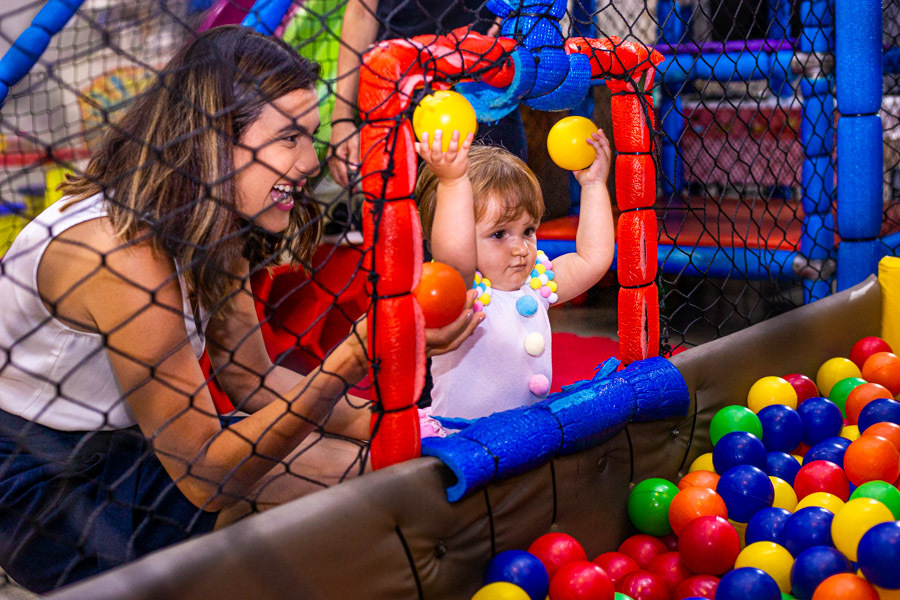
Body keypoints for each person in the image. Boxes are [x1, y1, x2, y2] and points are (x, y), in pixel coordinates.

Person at [0, 26, 479, 593]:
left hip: (130, 450)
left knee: (372, 468)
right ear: (213, 140)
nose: (310, 162)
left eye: (312, 135)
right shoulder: (122, 253)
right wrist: (352, 357)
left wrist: (397, 427)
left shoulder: (204, 217)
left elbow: (253, 377)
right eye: (289, 138)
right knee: (315, 485)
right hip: (43, 488)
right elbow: (209, 476)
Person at [414, 128, 614, 432]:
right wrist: (452, 183)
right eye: (499, 235)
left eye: (528, 231)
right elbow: (455, 252)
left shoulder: (536, 285)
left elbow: (593, 259)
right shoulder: (459, 293)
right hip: (463, 442)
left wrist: (594, 185)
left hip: (525, 437)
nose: (521, 248)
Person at [328, 0, 527, 189]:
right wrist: (342, 118)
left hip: (485, 76)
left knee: (504, 201)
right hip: (402, 83)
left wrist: (514, 12)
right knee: (410, 212)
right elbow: (361, 12)